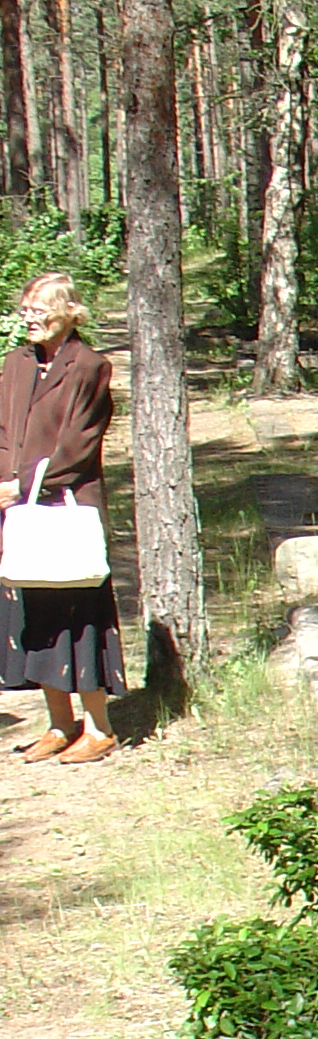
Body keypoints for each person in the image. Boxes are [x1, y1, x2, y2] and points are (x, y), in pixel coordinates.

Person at [0, 273, 122, 764]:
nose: (30, 319)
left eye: (41, 310)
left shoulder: (90, 366)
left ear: (70, 313)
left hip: (66, 505)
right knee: (35, 616)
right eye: (26, 310)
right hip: (19, 508)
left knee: (80, 617)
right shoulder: (16, 363)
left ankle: (99, 728)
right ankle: (59, 723)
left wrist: (23, 484)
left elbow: (79, 444)